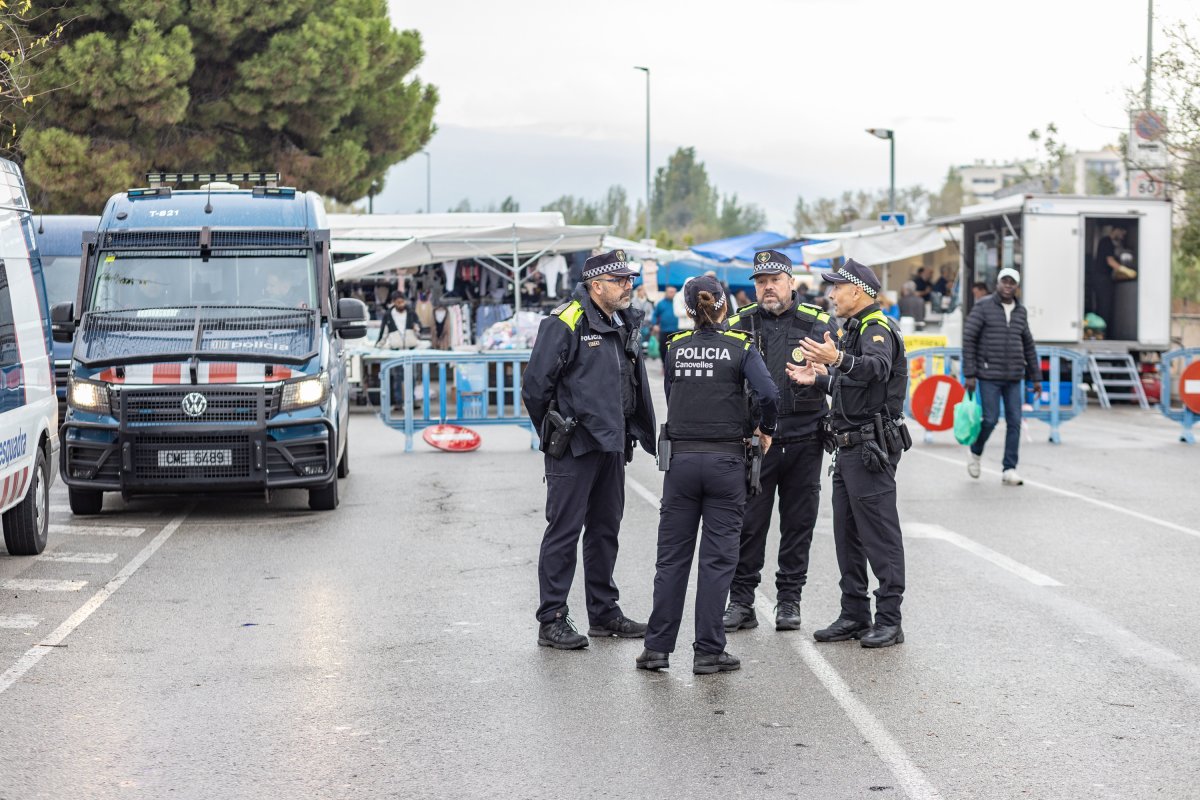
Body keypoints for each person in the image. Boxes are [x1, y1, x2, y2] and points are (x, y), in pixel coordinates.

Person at [636, 276, 778, 675]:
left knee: (671, 561)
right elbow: (769, 394)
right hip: (726, 463)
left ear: (687, 308)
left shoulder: (674, 347)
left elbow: (674, 393)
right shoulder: (742, 347)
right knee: (717, 562)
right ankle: (708, 651)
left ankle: (656, 649)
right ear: (724, 305)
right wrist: (765, 428)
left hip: (680, 461)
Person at [522, 249, 657, 650]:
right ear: (596, 285)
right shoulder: (566, 320)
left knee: (604, 531)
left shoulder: (622, 320)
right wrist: (556, 434)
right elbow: (535, 388)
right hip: (576, 446)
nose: (627, 285)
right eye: (619, 280)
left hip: (612, 444)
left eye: (629, 278)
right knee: (564, 533)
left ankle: (603, 613)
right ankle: (552, 620)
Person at [786, 259, 910, 649]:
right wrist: (821, 378)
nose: (832, 294)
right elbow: (853, 387)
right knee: (848, 536)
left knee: (879, 537)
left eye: (838, 288)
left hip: (870, 449)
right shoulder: (853, 329)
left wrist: (836, 360)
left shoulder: (877, 329)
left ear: (858, 291)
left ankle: (890, 619)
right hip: (849, 447)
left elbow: (876, 368)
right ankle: (855, 613)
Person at [720, 250, 836, 634]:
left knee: (798, 524)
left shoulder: (817, 323)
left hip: (805, 439)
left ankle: (789, 599)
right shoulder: (738, 323)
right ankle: (741, 601)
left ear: (790, 281)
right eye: (760, 281)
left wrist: (824, 373)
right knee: (749, 524)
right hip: (756, 441)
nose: (767, 287)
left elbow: (839, 376)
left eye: (774, 279)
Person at [962, 267, 1041, 486]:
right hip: (988, 374)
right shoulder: (983, 307)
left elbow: (1028, 344)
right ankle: (975, 452)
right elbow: (969, 338)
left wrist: (1036, 377)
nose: (1008, 286)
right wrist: (970, 373)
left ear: (1017, 286)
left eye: (1012, 283)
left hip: (1015, 375)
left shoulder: (1020, 311)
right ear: (997, 283)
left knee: (1015, 422)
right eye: (1004, 282)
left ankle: (1009, 468)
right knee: (990, 419)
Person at [1087, 226, 1126, 329]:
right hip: (1102, 279)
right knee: (1105, 306)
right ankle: (1102, 331)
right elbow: (1110, 261)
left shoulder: (1105, 242)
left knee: (1102, 305)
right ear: (1116, 230)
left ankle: (1100, 330)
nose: (1122, 236)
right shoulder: (1107, 242)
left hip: (1100, 278)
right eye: (1122, 233)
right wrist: (1126, 270)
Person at [651, 285, 681, 357]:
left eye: (674, 292)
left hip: (677, 330)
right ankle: (664, 365)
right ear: (666, 293)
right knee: (663, 349)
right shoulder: (661, 303)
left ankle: (673, 366)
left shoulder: (678, 303)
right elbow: (654, 315)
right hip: (664, 330)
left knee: (676, 349)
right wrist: (655, 324)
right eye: (670, 292)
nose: (672, 293)